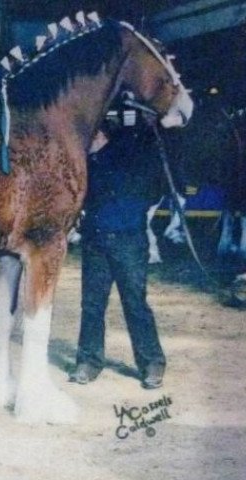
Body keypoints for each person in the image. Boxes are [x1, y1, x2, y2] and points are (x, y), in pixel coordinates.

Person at [70, 116, 166, 389]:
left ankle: (152, 363)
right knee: (92, 305)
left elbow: (150, 186)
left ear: (99, 135)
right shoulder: (86, 164)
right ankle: (88, 361)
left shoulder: (126, 157)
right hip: (96, 242)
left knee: (135, 303)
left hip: (128, 242)